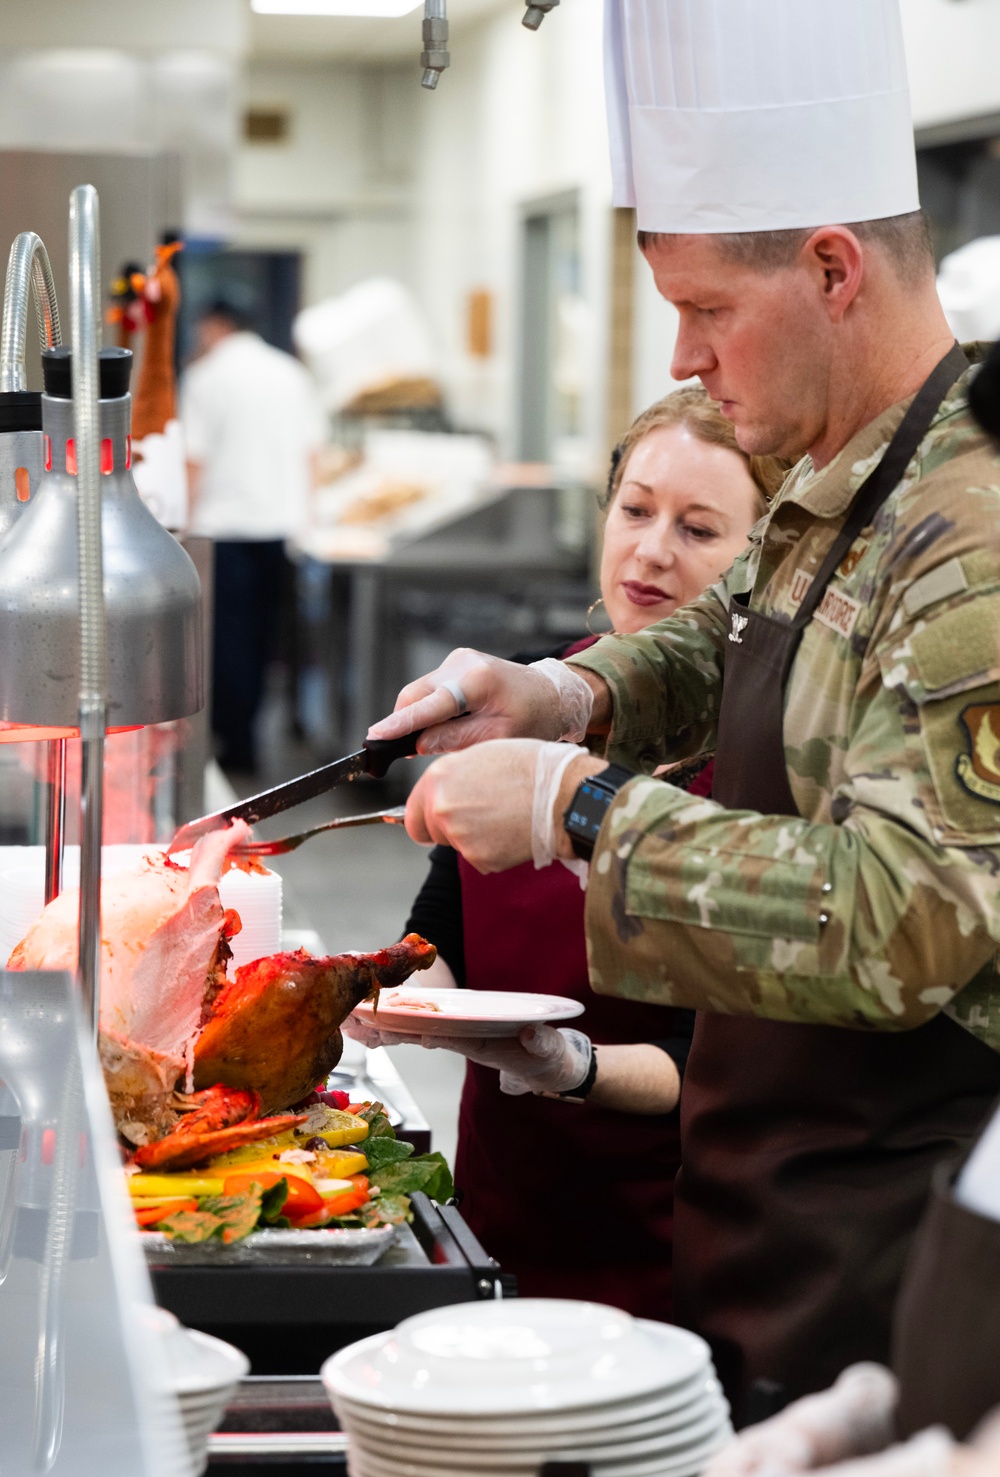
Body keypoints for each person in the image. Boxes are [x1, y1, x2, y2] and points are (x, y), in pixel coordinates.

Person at [363, 0, 1000, 1426]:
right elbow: (723, 641)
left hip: (897, 1276)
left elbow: (912, 917)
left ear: (834, 269)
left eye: (709, 309)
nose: (684, 360)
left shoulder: (973, 538)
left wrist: (576, 807)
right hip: (763, 1241)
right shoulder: (844, 479)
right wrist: (565, 692)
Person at [352, 387, 783, 1319]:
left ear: (765, 571)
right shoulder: (546, 690)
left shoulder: (768, 764)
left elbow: (735, 1056)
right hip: (500, 1224)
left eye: (701, 529)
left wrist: (574, 1065)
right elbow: (444, 921)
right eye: (636, 509)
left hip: (678, 1257)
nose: (653, 548)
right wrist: (391, 1002)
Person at [181, 300, 326, 773]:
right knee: (264, 641)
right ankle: (250, 739)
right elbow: (313, 452)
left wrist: (181, 525)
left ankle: (235, 744)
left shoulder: (206, 378)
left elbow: (193, 460)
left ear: (216, 323)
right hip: (279, 529)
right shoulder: (289, 373)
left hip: (223, 530)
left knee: (228, 642)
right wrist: (307, 517)